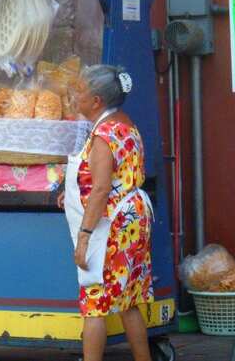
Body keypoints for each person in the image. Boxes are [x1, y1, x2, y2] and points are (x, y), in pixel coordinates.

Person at [58, 64, 155, 361]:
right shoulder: (125, 124)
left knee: (94, 302)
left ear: (97, 101)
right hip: (134, 217)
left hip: (110, 226)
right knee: (129, 301)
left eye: (81, 92)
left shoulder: (102, 134)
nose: (76, 96)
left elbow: (101, 189)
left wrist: (84, 238)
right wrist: (72, 192)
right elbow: (114, 177)